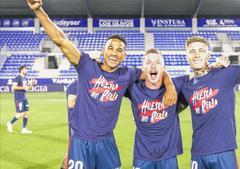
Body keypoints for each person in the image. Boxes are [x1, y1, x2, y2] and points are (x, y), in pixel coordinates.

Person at [27, 1, 177, 168]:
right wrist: (39, 10)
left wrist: (169, 85)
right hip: (81, 140)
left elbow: (154, 71)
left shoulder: (127, 74)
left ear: (124, 55)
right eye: (110, 48)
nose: (114, 53)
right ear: (103, 51)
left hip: (107, 142)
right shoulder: (86, 65)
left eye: (119, 50)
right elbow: (60, 40)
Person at [180, 16, 240, 169]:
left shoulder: (225, 72)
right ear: (187, 56)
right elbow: (171, 109)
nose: (196, 54)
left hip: (224, 151)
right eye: (192, 51)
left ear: (209, 54)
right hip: (198, 153)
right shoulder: (186, 86)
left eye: (201, 51)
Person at [125, 49, 187, 169]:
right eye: (148, 62)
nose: (153, 66)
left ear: (164, 67)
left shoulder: (177, 85)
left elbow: (203, 77)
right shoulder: (133, 88)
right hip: (142, 155)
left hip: (168, 156)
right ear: (142, 68)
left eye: (158, 62)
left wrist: (215, 66)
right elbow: (108, 78)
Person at [7, 65, 37, 134]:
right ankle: (10, 123)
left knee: (26, 112)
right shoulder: (18, 78)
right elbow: (14, 87)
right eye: (25, 69)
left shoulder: (25, 78)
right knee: (21, 113)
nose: (27, 71)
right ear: (22, 70)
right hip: (18, 98)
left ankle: (24, 129)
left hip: (24, 97)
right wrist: (23, 88)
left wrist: (32, 84)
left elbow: (27, 88)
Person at [61, 80, 78, 169]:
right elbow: (71, 103)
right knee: (72, 153)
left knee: (71, 153)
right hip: (77, 127)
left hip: (88, 126)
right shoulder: (74, 84)